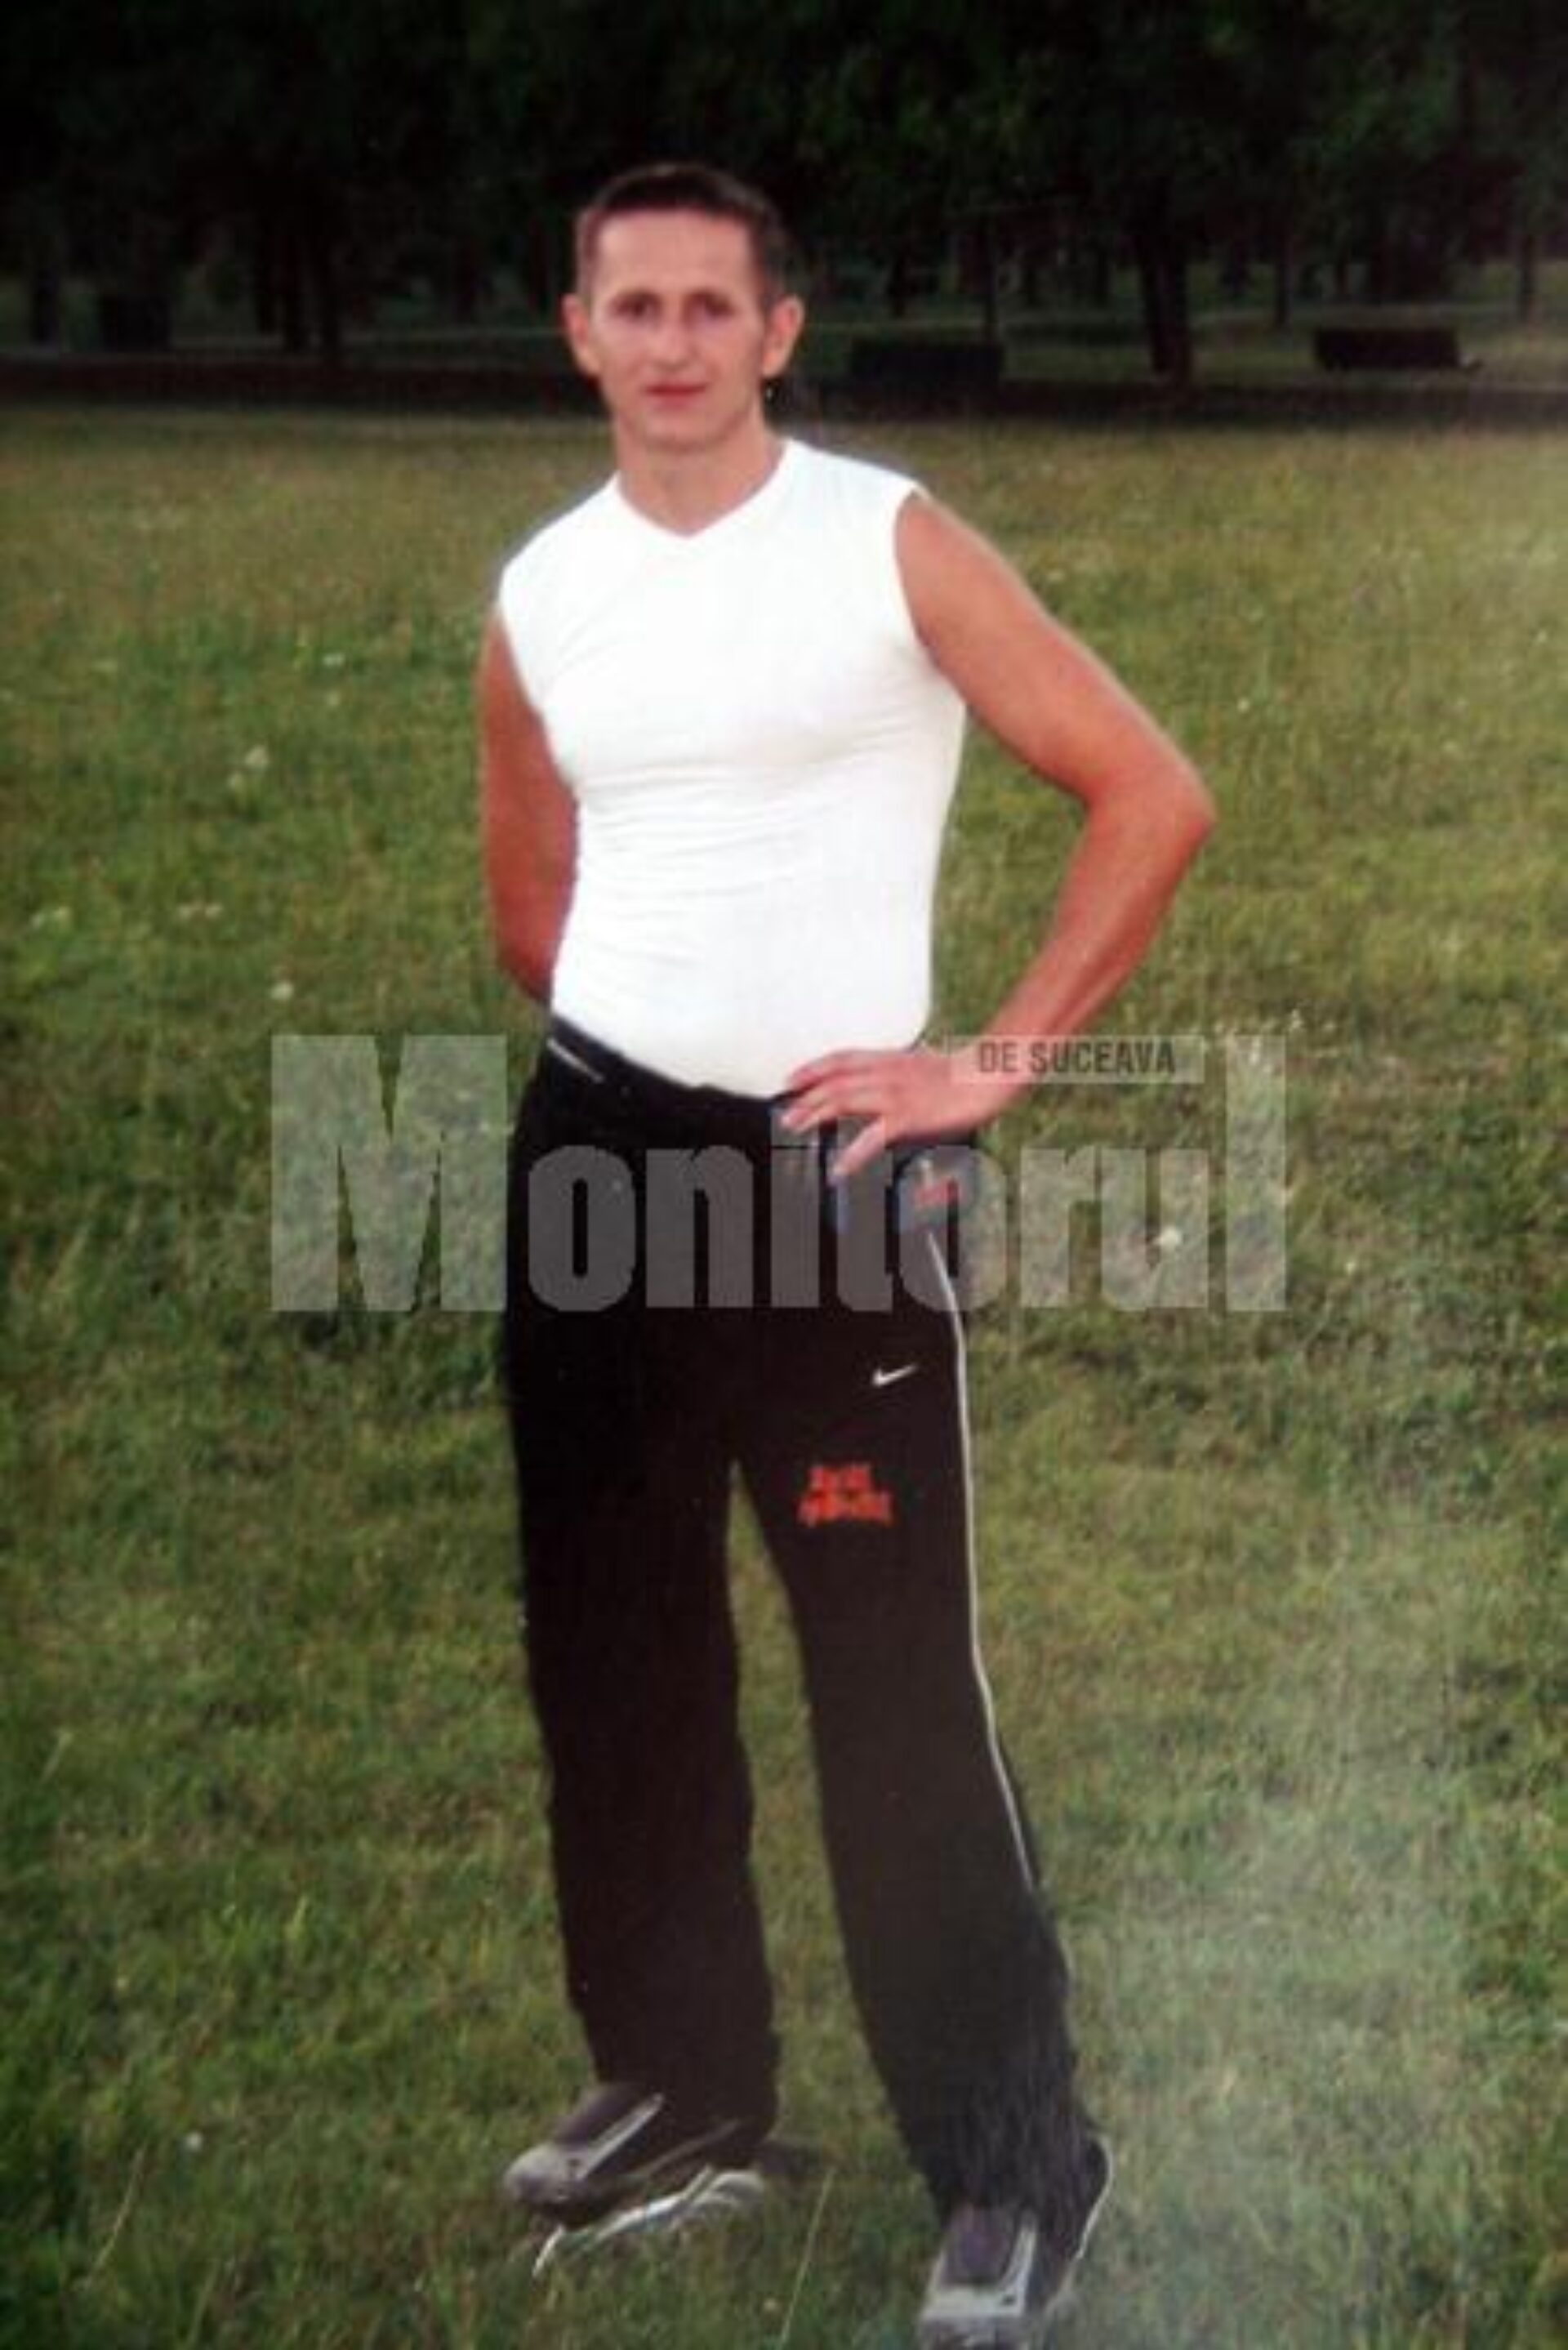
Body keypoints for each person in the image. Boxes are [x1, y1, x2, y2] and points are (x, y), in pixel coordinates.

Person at [479, 161, 1214, 2347]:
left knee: (891, 1692)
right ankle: (687, 2087)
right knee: (614, 1655)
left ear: (778, 332)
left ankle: (1015, 2171)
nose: (674, 341)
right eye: (636, 306)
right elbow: (534, 906)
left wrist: (984, 1065)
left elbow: (1150, 790)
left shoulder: (886, 540)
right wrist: (651, 1064)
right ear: (580, 332)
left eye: (714, 305)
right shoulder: (544, 589)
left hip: (830, 1189)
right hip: (598, 1169)